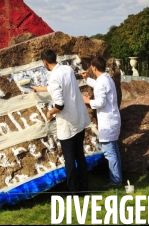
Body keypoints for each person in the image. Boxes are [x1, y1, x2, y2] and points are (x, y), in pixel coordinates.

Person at [31, 49, 91, 194]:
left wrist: (50, 113)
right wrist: (39, 89)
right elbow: (59, 86)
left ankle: (72, 191)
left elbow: (60, 105)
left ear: (44, 62)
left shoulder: (54, 77)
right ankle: (84, 187)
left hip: (68, 123)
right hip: (79, 119)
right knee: (80, 155)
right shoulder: (67, 69)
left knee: (70, 160)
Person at [80, 56, 123, 188]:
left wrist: (85, 100)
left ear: (94, 67)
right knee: (114, 150)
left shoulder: (101, 82)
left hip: (108, 122)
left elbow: (100, 102)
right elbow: (99, 85)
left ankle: (115, 180)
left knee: (110, 153)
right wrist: (87, 79)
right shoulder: (107, 78)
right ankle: (118, 178)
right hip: (113, 119)